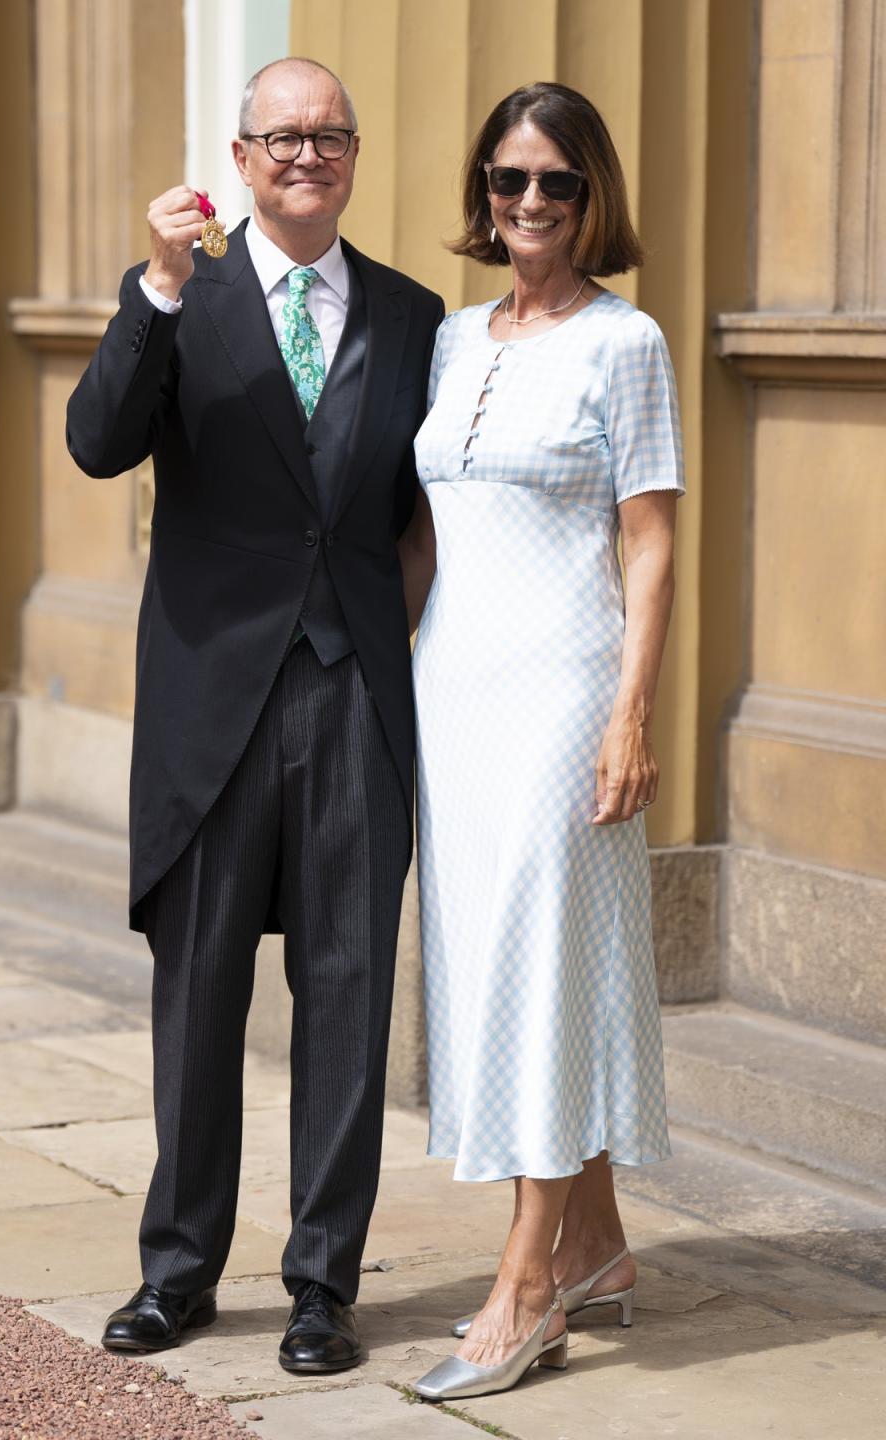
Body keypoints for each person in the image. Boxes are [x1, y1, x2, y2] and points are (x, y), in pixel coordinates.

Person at [66, 57, 443, 1374]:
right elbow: (98, 440)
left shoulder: (412, 315)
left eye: (329, 135)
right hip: (210, 701)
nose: (306, 155)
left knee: (346, 993)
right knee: (201, 994)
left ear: (351, 156)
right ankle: (176, 1275)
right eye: (281, 138)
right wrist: (156, 290)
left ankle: (322, 1287)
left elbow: (429, 507)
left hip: (353, 699)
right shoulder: (191, 297)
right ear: (240, 157)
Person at [398, 82, 684, 1401]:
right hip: (452, 690)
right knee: (502, 959)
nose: (528, 206)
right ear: (485, 192)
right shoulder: (455, 341)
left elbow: (651, 536)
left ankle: (527, 1286)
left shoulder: (626, 343)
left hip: (565, 691)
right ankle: (602, 1243)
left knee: (543, 966)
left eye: (555, 186)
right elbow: (422, 534)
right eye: (509, 181)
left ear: (591, 200)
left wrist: (632, 712)